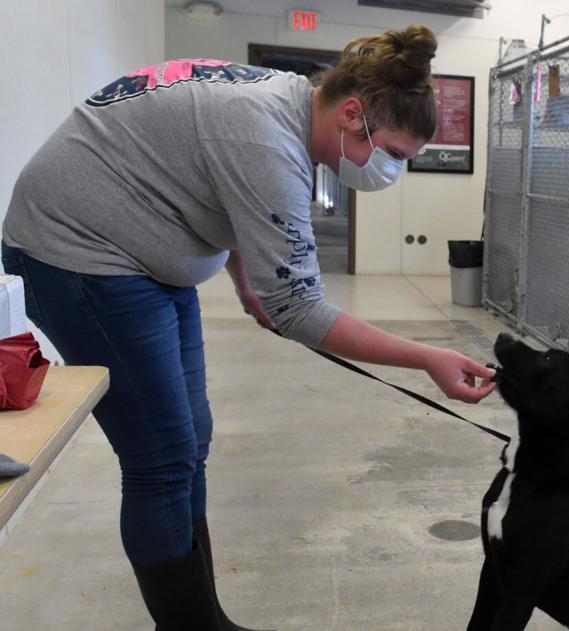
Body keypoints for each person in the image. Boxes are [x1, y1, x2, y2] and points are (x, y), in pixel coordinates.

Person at [1, 26, 495, 630]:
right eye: (391, 152)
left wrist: (243, 277)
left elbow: (217, 183)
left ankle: (205, 617)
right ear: (351, 114)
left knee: (191, 440)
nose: (389, 169)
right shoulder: (266, 137)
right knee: (160, 456)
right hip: (78, 254)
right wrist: (427, 357)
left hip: (143, 256)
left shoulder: (283, 99)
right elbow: (300, 308)